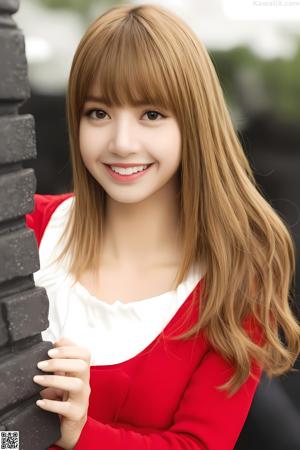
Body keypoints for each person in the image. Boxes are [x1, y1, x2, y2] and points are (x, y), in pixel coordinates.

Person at [25, 3, 300, 450]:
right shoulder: (25, 229)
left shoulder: (234, 281)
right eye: (99, 112)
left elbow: (200, 445)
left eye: (151, 114)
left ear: (193, 123)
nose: (122, 142)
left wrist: (79, 432)